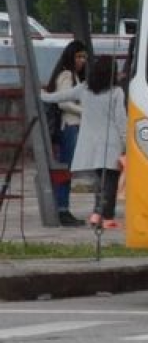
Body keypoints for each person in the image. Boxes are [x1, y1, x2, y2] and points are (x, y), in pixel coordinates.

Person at [40, 55, 127, 229]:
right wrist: (126, 143)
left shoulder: (85, 88)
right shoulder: (116, 92)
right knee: (110, 181)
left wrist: (42, 94)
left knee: (100, 181)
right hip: (111, 143)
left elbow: (60, 96)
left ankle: (98, 214)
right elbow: (121, 120)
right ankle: (105, 216)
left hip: (91, 143)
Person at [42, 40, 88, 227]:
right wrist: (84, 111)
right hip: (68, 126)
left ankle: (62, 207)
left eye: (84, 57)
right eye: (78, 56)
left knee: (67, 169)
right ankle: (62, 208)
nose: (82, 60)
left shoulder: (74, 76)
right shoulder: (67, 75)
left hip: (72, 126)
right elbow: (63, 102)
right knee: (66, 170)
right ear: (70, 56)